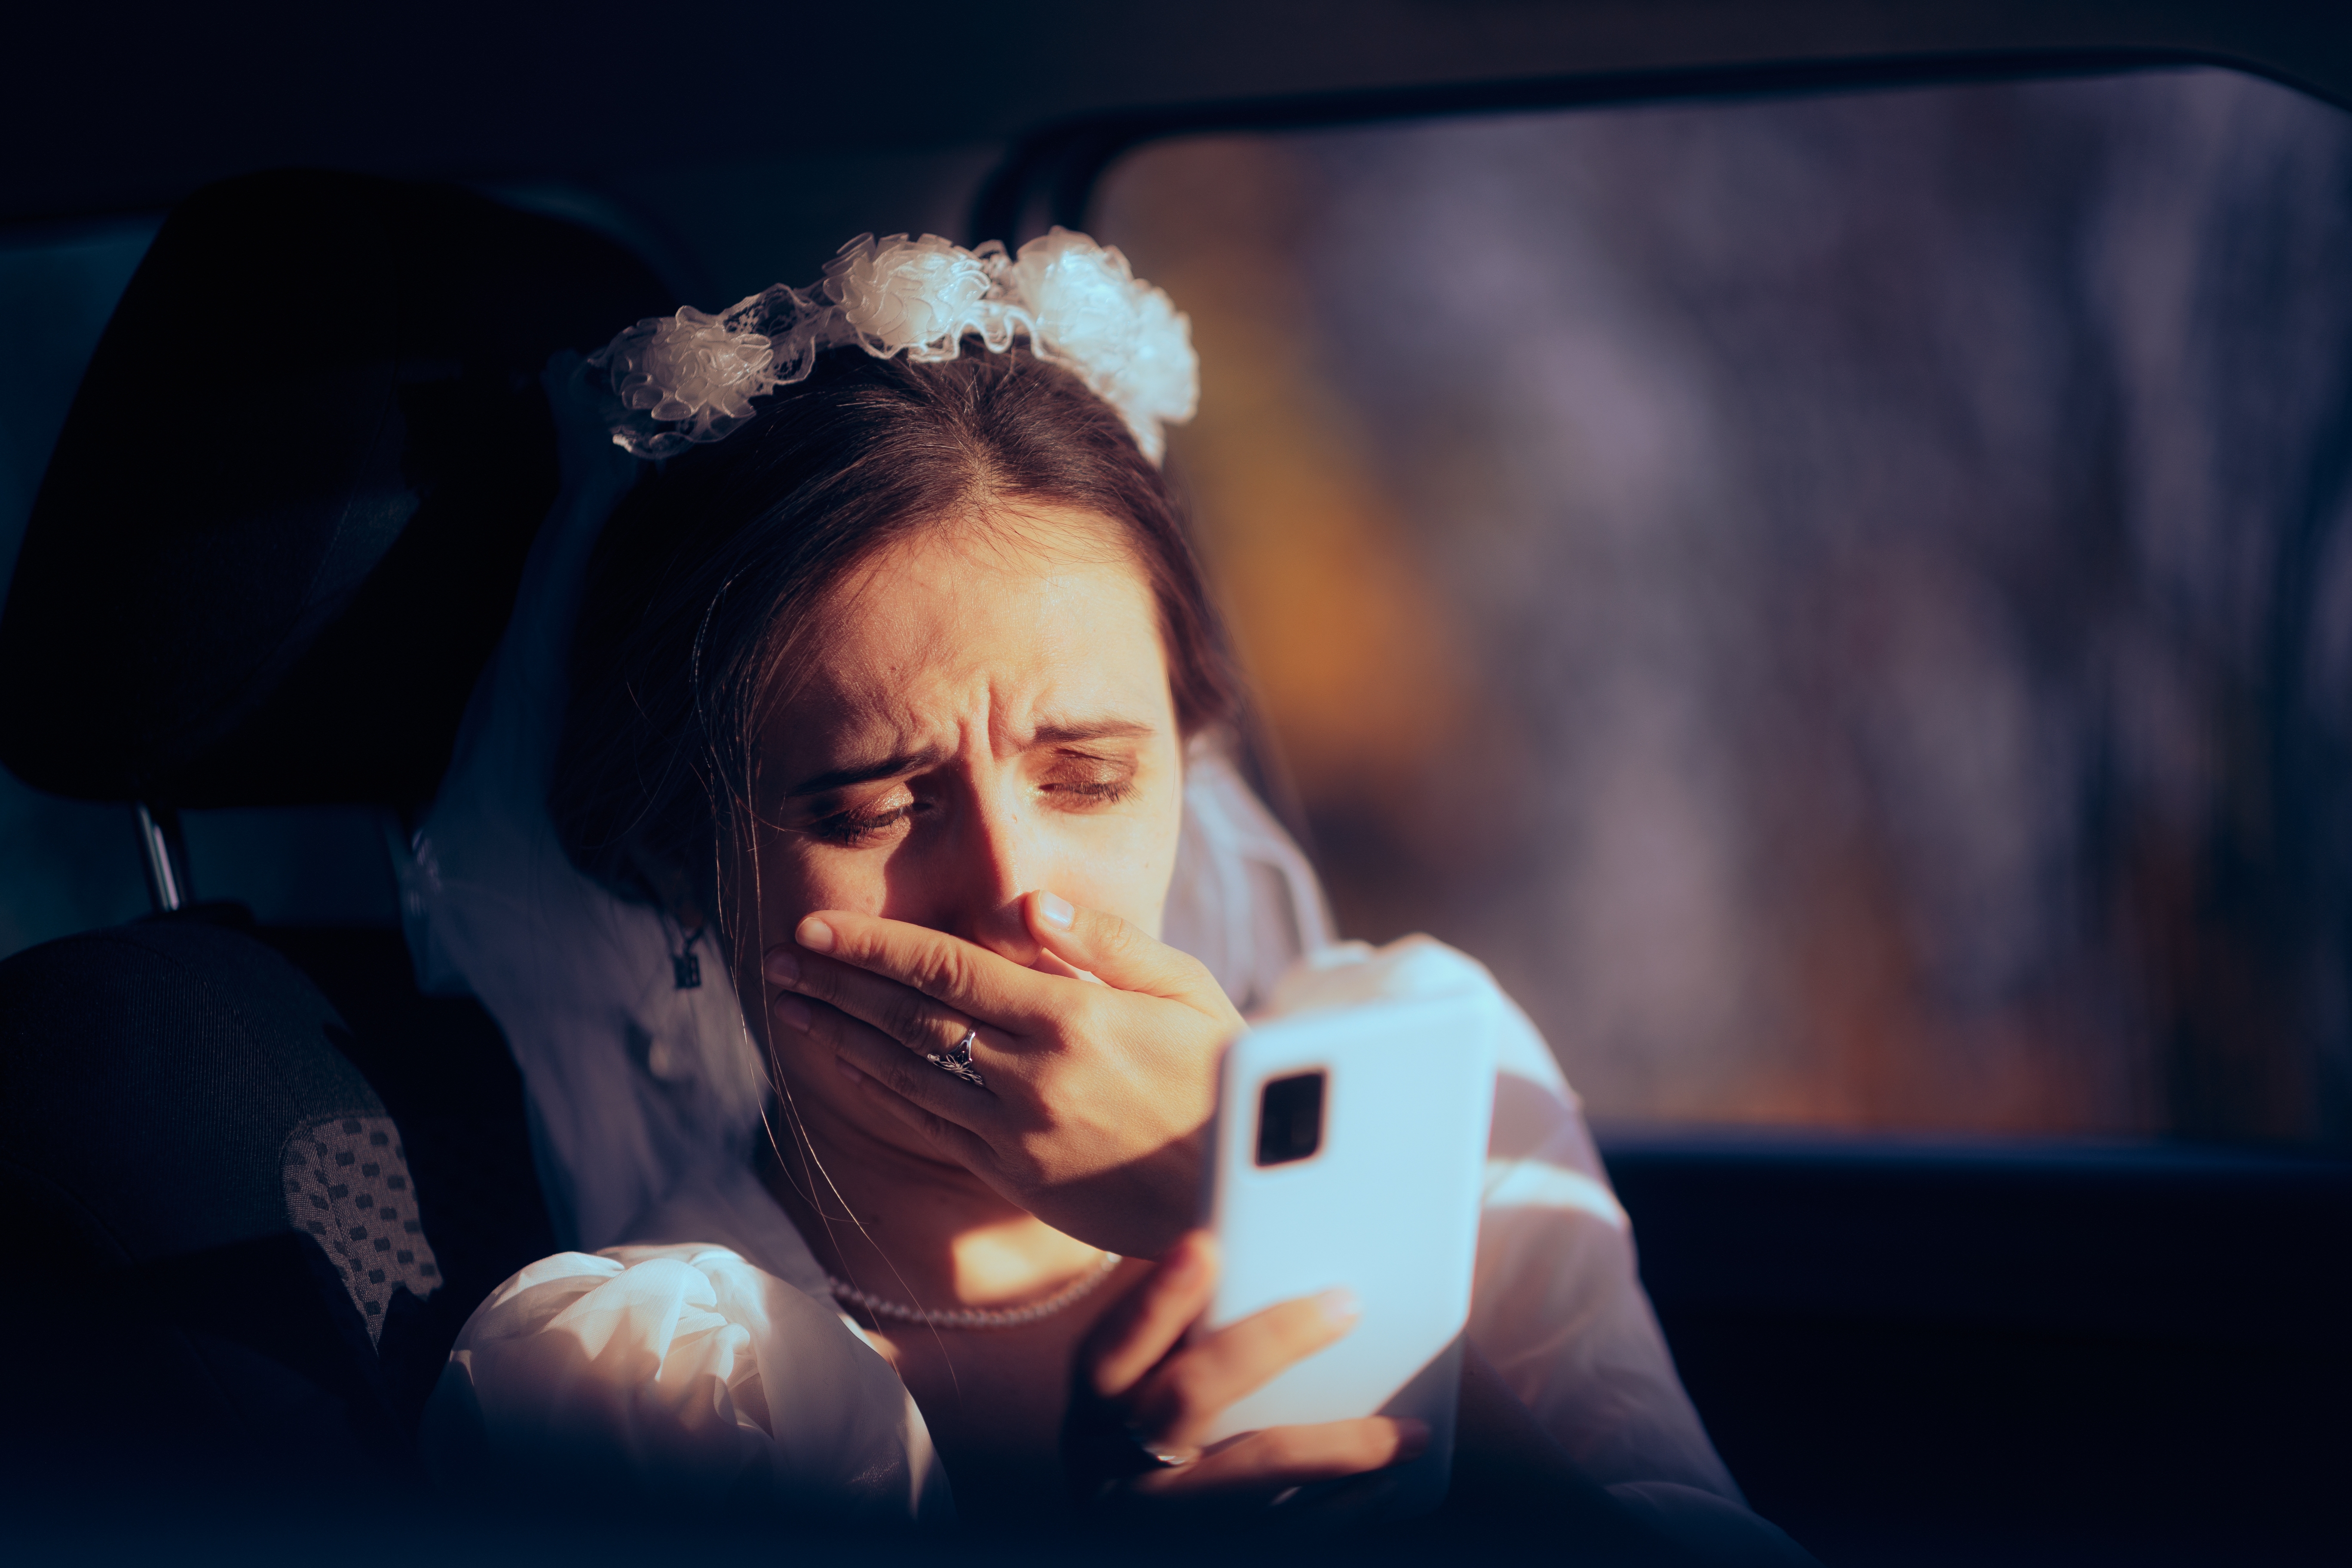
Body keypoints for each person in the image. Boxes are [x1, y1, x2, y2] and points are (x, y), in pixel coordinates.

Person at [407, 230, 1810, 1559]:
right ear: (673, 858)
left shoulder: (1424, 1100)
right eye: (869, 807)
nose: (1017, 897)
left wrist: (1304, 1237)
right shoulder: (659, 1389)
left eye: (1085, 780)